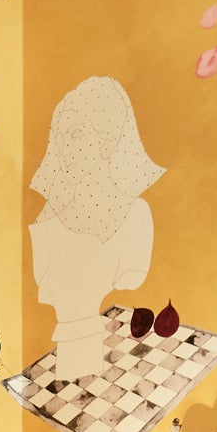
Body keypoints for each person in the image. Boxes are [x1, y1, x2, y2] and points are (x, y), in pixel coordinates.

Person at [29, 76, 163, 382]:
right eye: (60, 138)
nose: (65, 150)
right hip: (73, 371)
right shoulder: (49, 225)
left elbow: (132, 279)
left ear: (107, 139)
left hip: (120, 373)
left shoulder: (136, 216)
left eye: (76, 133)